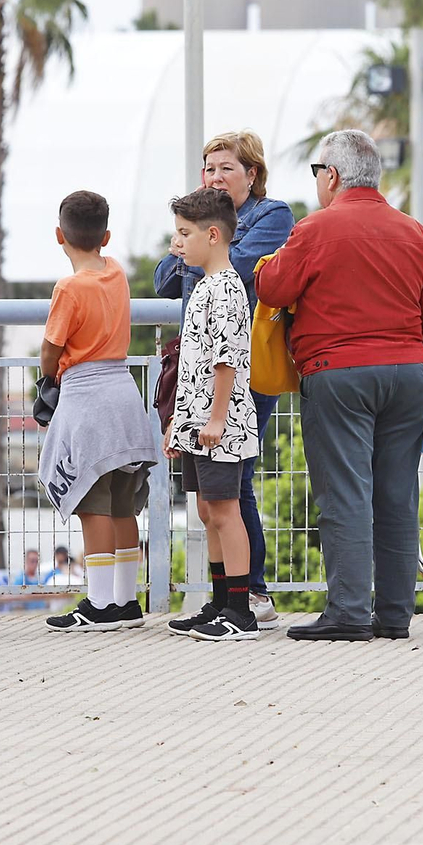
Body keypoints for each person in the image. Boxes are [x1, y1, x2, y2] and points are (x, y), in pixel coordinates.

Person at [256, 130, 423, 642]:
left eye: (318, 171)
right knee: (396, 495)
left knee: (345, 494)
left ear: (333, 176)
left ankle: (347, 612)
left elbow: (274, 287)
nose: (318, 180)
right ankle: (393, 614)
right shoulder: (415, 233)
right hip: (410, 375)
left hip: (338, 374)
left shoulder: (314, 229)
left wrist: (264, 263)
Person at [155, 129, 294, 626]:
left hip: (235, 385)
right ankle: (223, 599)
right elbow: (162, 279)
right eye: (209, 168)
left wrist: (192, 253)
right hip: (196, 388)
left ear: (251, 174)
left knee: (234, 491)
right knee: (210, 502)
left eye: (226, 169)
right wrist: (190, 250)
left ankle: (248, 598)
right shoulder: (204, 241)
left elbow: (235, 263)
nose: (215, 177)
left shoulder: (270, 216)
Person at [38, 191, 161, 632]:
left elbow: (52, 347)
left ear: (59, 236)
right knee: (124, 504)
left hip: (87, 398)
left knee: (94, 503)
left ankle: (99, 603)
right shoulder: (117, 274)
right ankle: (127, 602)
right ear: (106, 236)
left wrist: (47, 377)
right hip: (124, 394)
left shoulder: (69, 288)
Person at [160, 188, 262, 641]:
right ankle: (220, 601)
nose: (177, 243)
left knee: (225, 509)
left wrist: (217, 419)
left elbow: (227, 359)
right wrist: (180, 423)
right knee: (206, 509)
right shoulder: (204, 286)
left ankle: (240, 609)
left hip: (221, 424)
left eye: (185, 233)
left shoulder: (226, 288)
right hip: (199, 422)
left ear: (214, 235)